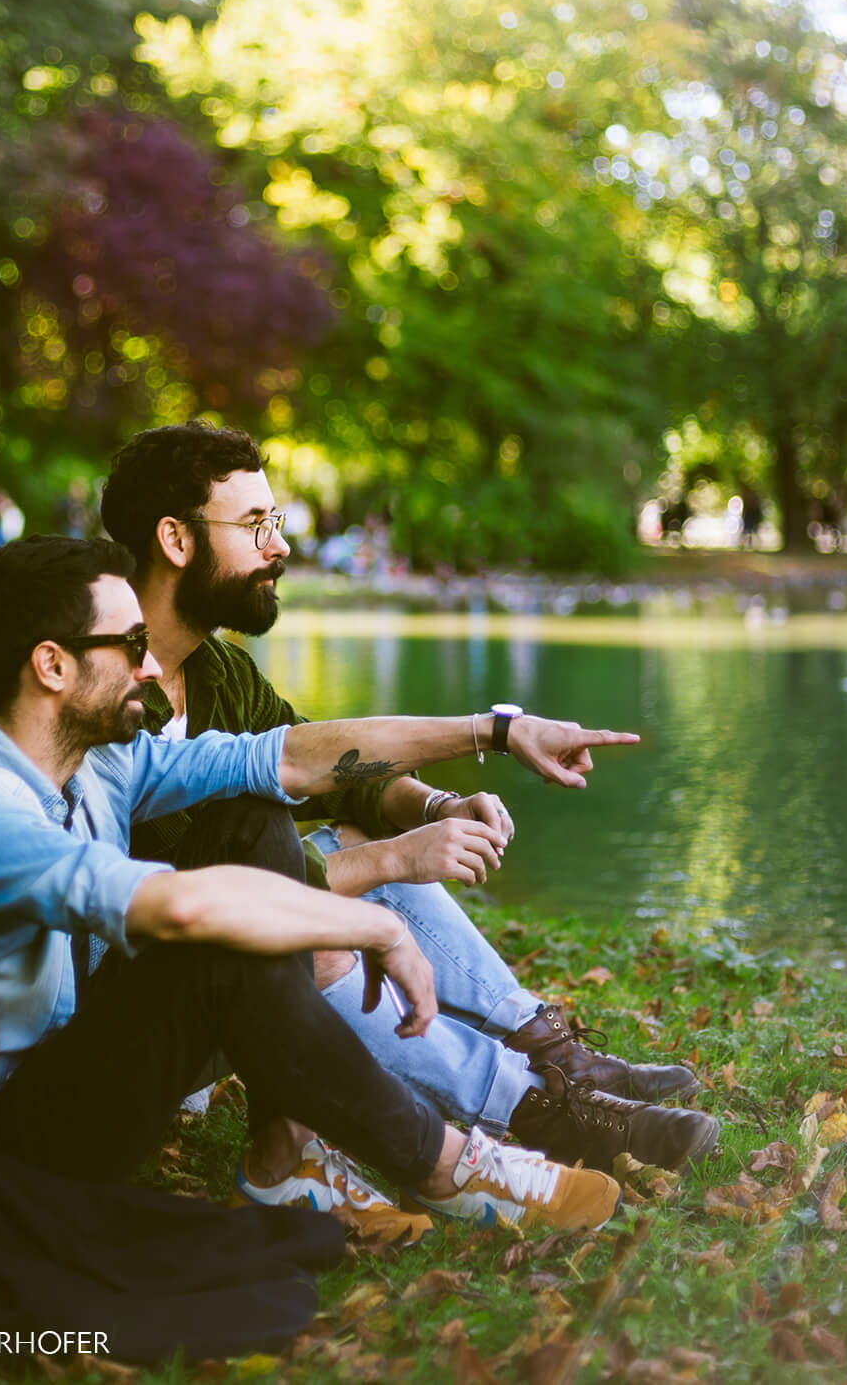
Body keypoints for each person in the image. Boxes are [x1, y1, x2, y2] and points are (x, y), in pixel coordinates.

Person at [0, 535, 629, 1235]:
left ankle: (286, 1163)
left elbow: (292, 757)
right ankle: (449, 1163)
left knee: (254, 815)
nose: (153, 666)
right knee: (214, 943)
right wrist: (376, 925)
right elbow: (181, 906)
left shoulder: (98, 765)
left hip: (82, 1072)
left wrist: (493, 729)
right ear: (52, 664)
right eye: (130, 645)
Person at [96, 425, 715, 1189]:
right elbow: (215, 897)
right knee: (325, 909)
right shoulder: (104, 702)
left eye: (275, 522)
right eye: (254, 524)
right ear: (175, 539)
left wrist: (435, 804)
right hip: (161, 1009)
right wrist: (397, 855)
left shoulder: (217, 672)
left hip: (226, 978)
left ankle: (553, 1053)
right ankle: (541, 1111)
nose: (279, 547)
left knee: (355, 835)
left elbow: (334, 771)